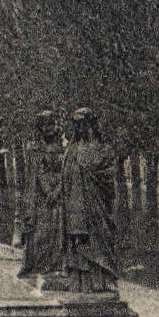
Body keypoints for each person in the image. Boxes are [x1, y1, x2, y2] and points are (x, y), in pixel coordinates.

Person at [61, 108, 119, 292]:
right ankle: (81, 281)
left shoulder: (103, 148)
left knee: (100, 239)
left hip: (97, 204)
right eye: (76, 125)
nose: (79, 128)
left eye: (82, 124)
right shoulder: (72, 150)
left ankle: (104, 278)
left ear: (91, 124)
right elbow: (65, 177)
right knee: (80, 243)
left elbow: (109, 176)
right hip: (76, 205)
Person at [19, 111, 65, 278]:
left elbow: (66, 174)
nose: (48, 129)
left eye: (51, 124)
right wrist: (47, 191)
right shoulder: (35, 151)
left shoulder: (62, 150)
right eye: (44, 125)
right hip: (40, 200)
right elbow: (34, 175)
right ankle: (38, 267)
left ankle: (54, 267)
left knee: (57, 233)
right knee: (40, 235)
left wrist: (57, 190)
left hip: (59, 198)